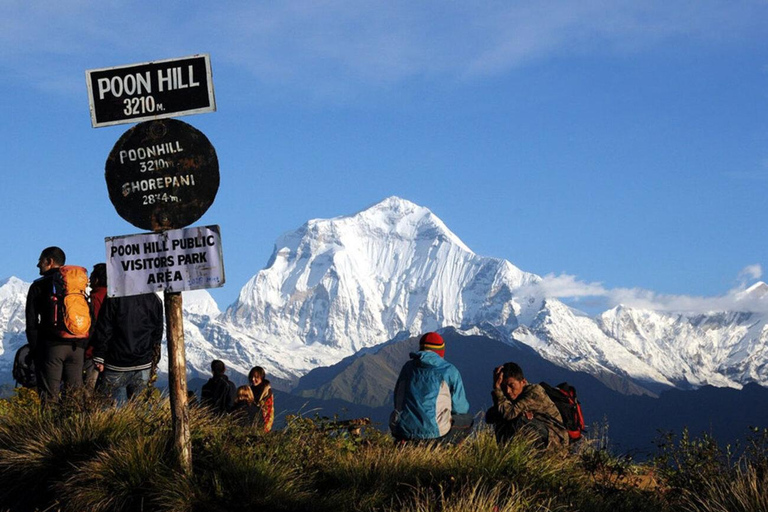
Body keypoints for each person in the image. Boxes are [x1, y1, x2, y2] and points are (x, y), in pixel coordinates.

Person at [25, 247, 86, 403]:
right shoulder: (76, 285)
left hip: (52, 347)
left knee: (49, 398)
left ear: (50, 262)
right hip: (77, 346)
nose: (38, 265)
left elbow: (31, 321)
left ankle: (50, 427)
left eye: (40, 260)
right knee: (74, 399)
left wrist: (35, 349)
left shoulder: (39, 285)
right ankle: (76, 427)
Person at [389, 331, 473, 443]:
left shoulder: (407, 368)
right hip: (435, 434)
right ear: (441, 351)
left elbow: (397, 399)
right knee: (467, 419)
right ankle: (449, 448)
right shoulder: (449, 370)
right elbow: (460, 408)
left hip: (404, 431)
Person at [90, 292, 163, 405]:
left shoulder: (114, 294)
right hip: (143, 363)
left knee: (115, 413)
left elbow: (104, 328)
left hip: (116, 363)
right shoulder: (154, 298)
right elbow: (157, 333)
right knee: (141, 411)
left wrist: (99, 355)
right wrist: (154, 358)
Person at [485, 362, 568, 450]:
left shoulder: (534, 392)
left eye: (511, 385)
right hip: (541, 433)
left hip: (554, 440)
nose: (508, 391)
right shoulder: (511, 396)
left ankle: (533, 457)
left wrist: (497, 389)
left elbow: (509, 414)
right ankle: (505, 452)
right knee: (500, 417)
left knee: (519, 421)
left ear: (523, 382)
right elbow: (490, 417)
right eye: (504, 386)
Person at [83, 263, 107, 392]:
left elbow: (96, 324)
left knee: (89, 391)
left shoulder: (95, 298)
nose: (89, 280)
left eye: (91, 276)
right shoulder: (115, 296)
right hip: (113, 353)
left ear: (97, 280)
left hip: (93, 353)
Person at [248, 366, 275, 432]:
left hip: (262, 424)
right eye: (252, 377)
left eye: (256, 377)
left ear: (261, 378)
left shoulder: (266, 392)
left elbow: (268, 410)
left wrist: (265, 428)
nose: (253, 379)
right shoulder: (251, 389)